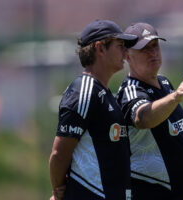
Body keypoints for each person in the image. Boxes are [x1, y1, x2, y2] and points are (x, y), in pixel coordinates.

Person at [49, 19, 137, 200]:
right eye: (120, 45)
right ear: (100, 48)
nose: (125, 52)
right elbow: (59, 154)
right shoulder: (84, 91)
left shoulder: (103, 92)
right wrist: (59, 190)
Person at [116, 22, 183, 200]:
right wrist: (175, 97)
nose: (153, 53)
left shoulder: (164, 83)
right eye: (144, 49)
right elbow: (142, 118)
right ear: (127, 55)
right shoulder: (130, 89)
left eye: (155, 46)